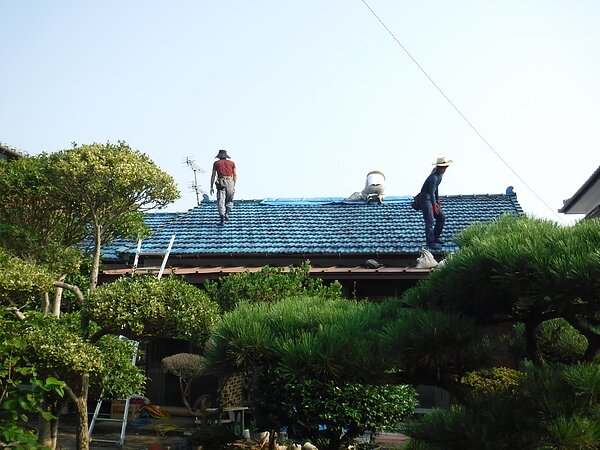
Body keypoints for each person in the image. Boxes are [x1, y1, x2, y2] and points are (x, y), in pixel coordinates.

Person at [420, 156, 453, 248]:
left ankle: (435, 237)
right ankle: (430, 242)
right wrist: (434, 205)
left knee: (441, 217)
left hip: (431, 197)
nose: (446, 169)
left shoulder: (440, 176)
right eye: (444, 167)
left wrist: (437, 199)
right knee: (429, 220)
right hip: (425, 198)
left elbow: (436, 188)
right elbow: (431, 192)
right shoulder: (433, 177)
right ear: (440, 167)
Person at [210, 149, 237, 225]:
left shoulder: (216, 163)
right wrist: (233, 184)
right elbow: (235, 175)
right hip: (230, 181)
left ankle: (222, 220)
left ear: (219, 156)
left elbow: (213, 175)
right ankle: (227, 213)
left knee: (221, 201)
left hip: (221, 181)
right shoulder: (232, 163)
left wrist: (211, 186)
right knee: (229, 199)